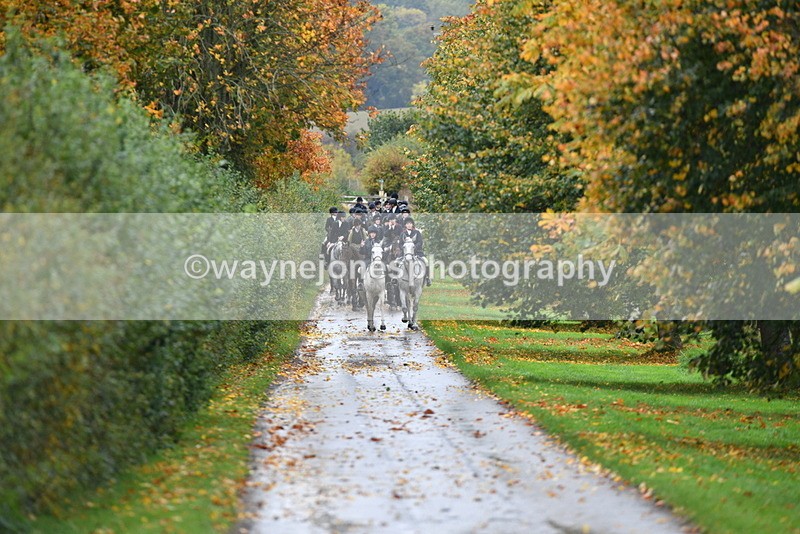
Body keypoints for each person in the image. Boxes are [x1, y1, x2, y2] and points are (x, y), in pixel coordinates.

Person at [400, 217, 431, 286]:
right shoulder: (403, 234)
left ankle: (427, 278)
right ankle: (395, 279)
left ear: (412, 225)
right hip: (405, 253)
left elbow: (420, 242)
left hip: (417, 252)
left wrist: (414, 248)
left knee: (426, 261)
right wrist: (405, 249)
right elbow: (400, 244)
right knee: (396, 262)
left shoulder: (417, 233)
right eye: (407, 224)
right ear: (405, 225)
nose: (409, 225)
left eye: (410, 224)